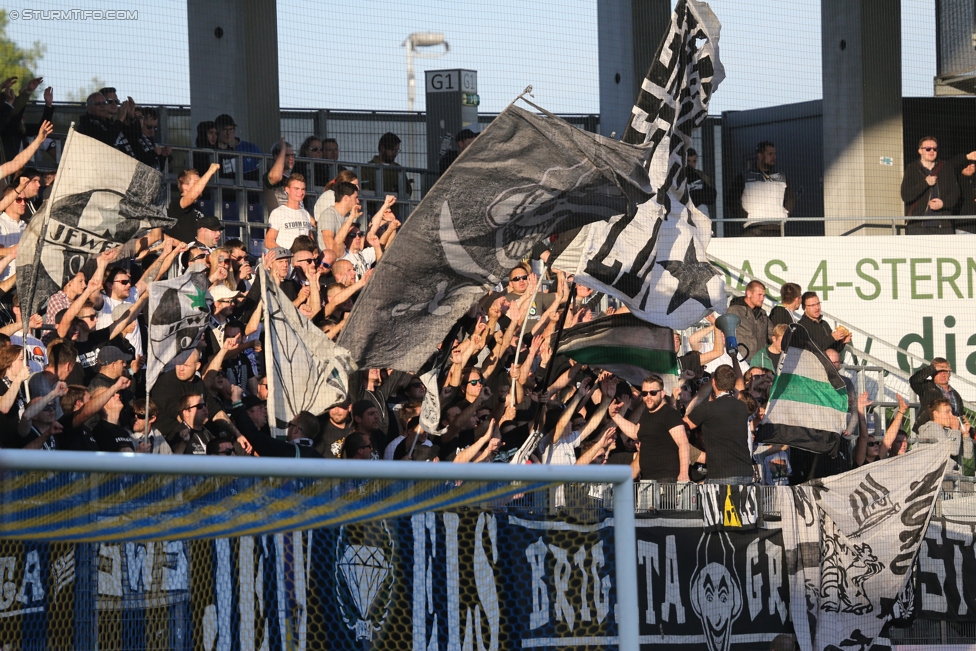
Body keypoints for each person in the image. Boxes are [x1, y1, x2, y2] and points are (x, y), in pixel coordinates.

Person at [683, 365, 754, 485]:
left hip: (722, 475)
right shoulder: (742, 407)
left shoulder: (708, 408)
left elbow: (681, 426)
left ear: (714, 382)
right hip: (745, 473)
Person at [613, 374, 690, 482]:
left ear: (662, 393)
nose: (648, 396)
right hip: (648, 479)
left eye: (653, 393)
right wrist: (615, 416)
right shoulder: (646, 413)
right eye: (644, 393)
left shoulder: (669, 414)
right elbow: (635, 432)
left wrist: (683, 474)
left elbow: (683, 444)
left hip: (667, 479)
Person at [730, 141, 795, 237]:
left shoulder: (781, 176)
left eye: (774, 154)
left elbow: (791, 197)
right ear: (760, 156)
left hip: (777, 229)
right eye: (770, 154)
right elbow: (731, 199)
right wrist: (746, 217)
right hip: (754, 229)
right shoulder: (744, 176)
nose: (774, 157)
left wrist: (785, 214)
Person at [902, 136, 960, 234]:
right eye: (928, 149)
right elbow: (905, 195)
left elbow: (956, 193)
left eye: (935, 149)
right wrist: (925, 183)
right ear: (920, 151)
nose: (932, 151)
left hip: (943, 226)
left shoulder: (946, 168)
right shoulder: (912, 168)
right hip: (918, 226)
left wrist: (943, 203)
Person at [917, 397, 974, 475]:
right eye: (947, 412)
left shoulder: (949, 431)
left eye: (951, 412)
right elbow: (953, 451)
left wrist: (965, 434)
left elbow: (968, 455)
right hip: (935, 477)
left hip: (949, 475)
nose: (951, 415)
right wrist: (955, 429)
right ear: (936, 413)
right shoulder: (932, 427)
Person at [167, 164, 222, 244]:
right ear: (185, 187)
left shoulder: (196, 206)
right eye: (196, 183)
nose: (201, 185)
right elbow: (192, 196)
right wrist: (210, 171)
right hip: (184, 253)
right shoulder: (177, 203)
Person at [910, 357, 964, 431]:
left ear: (949, 374)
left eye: (945, 371)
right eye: (939, 371)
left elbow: (960, 414)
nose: (943, 374)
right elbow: (914, 380)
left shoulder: (955, 394)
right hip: (930, 431)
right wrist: (932, 368)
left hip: (952, 432)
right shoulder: (926, 387)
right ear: (932, 373)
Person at [725, 280, 772, 362]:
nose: (762, 299)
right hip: (742, 360)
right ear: (749, 293)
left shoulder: (763, 313)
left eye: (764, 295)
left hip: (761, 360)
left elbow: (772, 333)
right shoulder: (734, 310)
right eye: (759, 295)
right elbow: (725, 333)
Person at [265, 174, 314, 250]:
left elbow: (311, 240)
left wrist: (314, 252)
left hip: (304, 260)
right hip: (287, 260)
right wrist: (287, 255)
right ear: (287, 189)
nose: (300, 192)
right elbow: (268, 242)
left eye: (303, 189)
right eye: (296, 189)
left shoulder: (306, 214)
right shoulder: (278, 213)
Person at [361, 132, 413, 200]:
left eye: (397, 150)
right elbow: (364, 190)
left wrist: (405, 187)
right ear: (382, 148)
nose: (395, 153)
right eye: (393, 150)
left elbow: (408, 193)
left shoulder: (399, 169)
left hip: (395, 209)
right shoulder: (367, 169)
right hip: (374, 209)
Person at [214, 113, 261, 182]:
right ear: (217, 131)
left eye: (231, 129)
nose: (228, 133)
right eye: (224, 129)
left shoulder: (251, 148)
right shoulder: (214, 151)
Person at [263, 138, 297, 212]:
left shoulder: (295, 178)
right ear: (276, 157)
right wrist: (283, 149)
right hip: (281, 219)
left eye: (293, 155)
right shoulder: (268, 176)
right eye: (287, 155)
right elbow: (276, 177)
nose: (291, 158)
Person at [686, 148, 717, 218]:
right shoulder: (679, 176)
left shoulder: (701, 175)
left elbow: (710, 196)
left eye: (694, 161)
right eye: (688, 161)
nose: (691, 164)